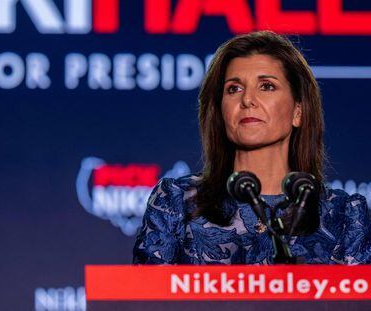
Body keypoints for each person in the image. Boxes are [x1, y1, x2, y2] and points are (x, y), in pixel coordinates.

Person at [133, 31, 371, 264]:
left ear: (298, 111)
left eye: (266, 86)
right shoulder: (177, 201)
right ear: (221, 111)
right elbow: (146, 300)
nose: (247, 100)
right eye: (234, 89)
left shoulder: (342, 215)